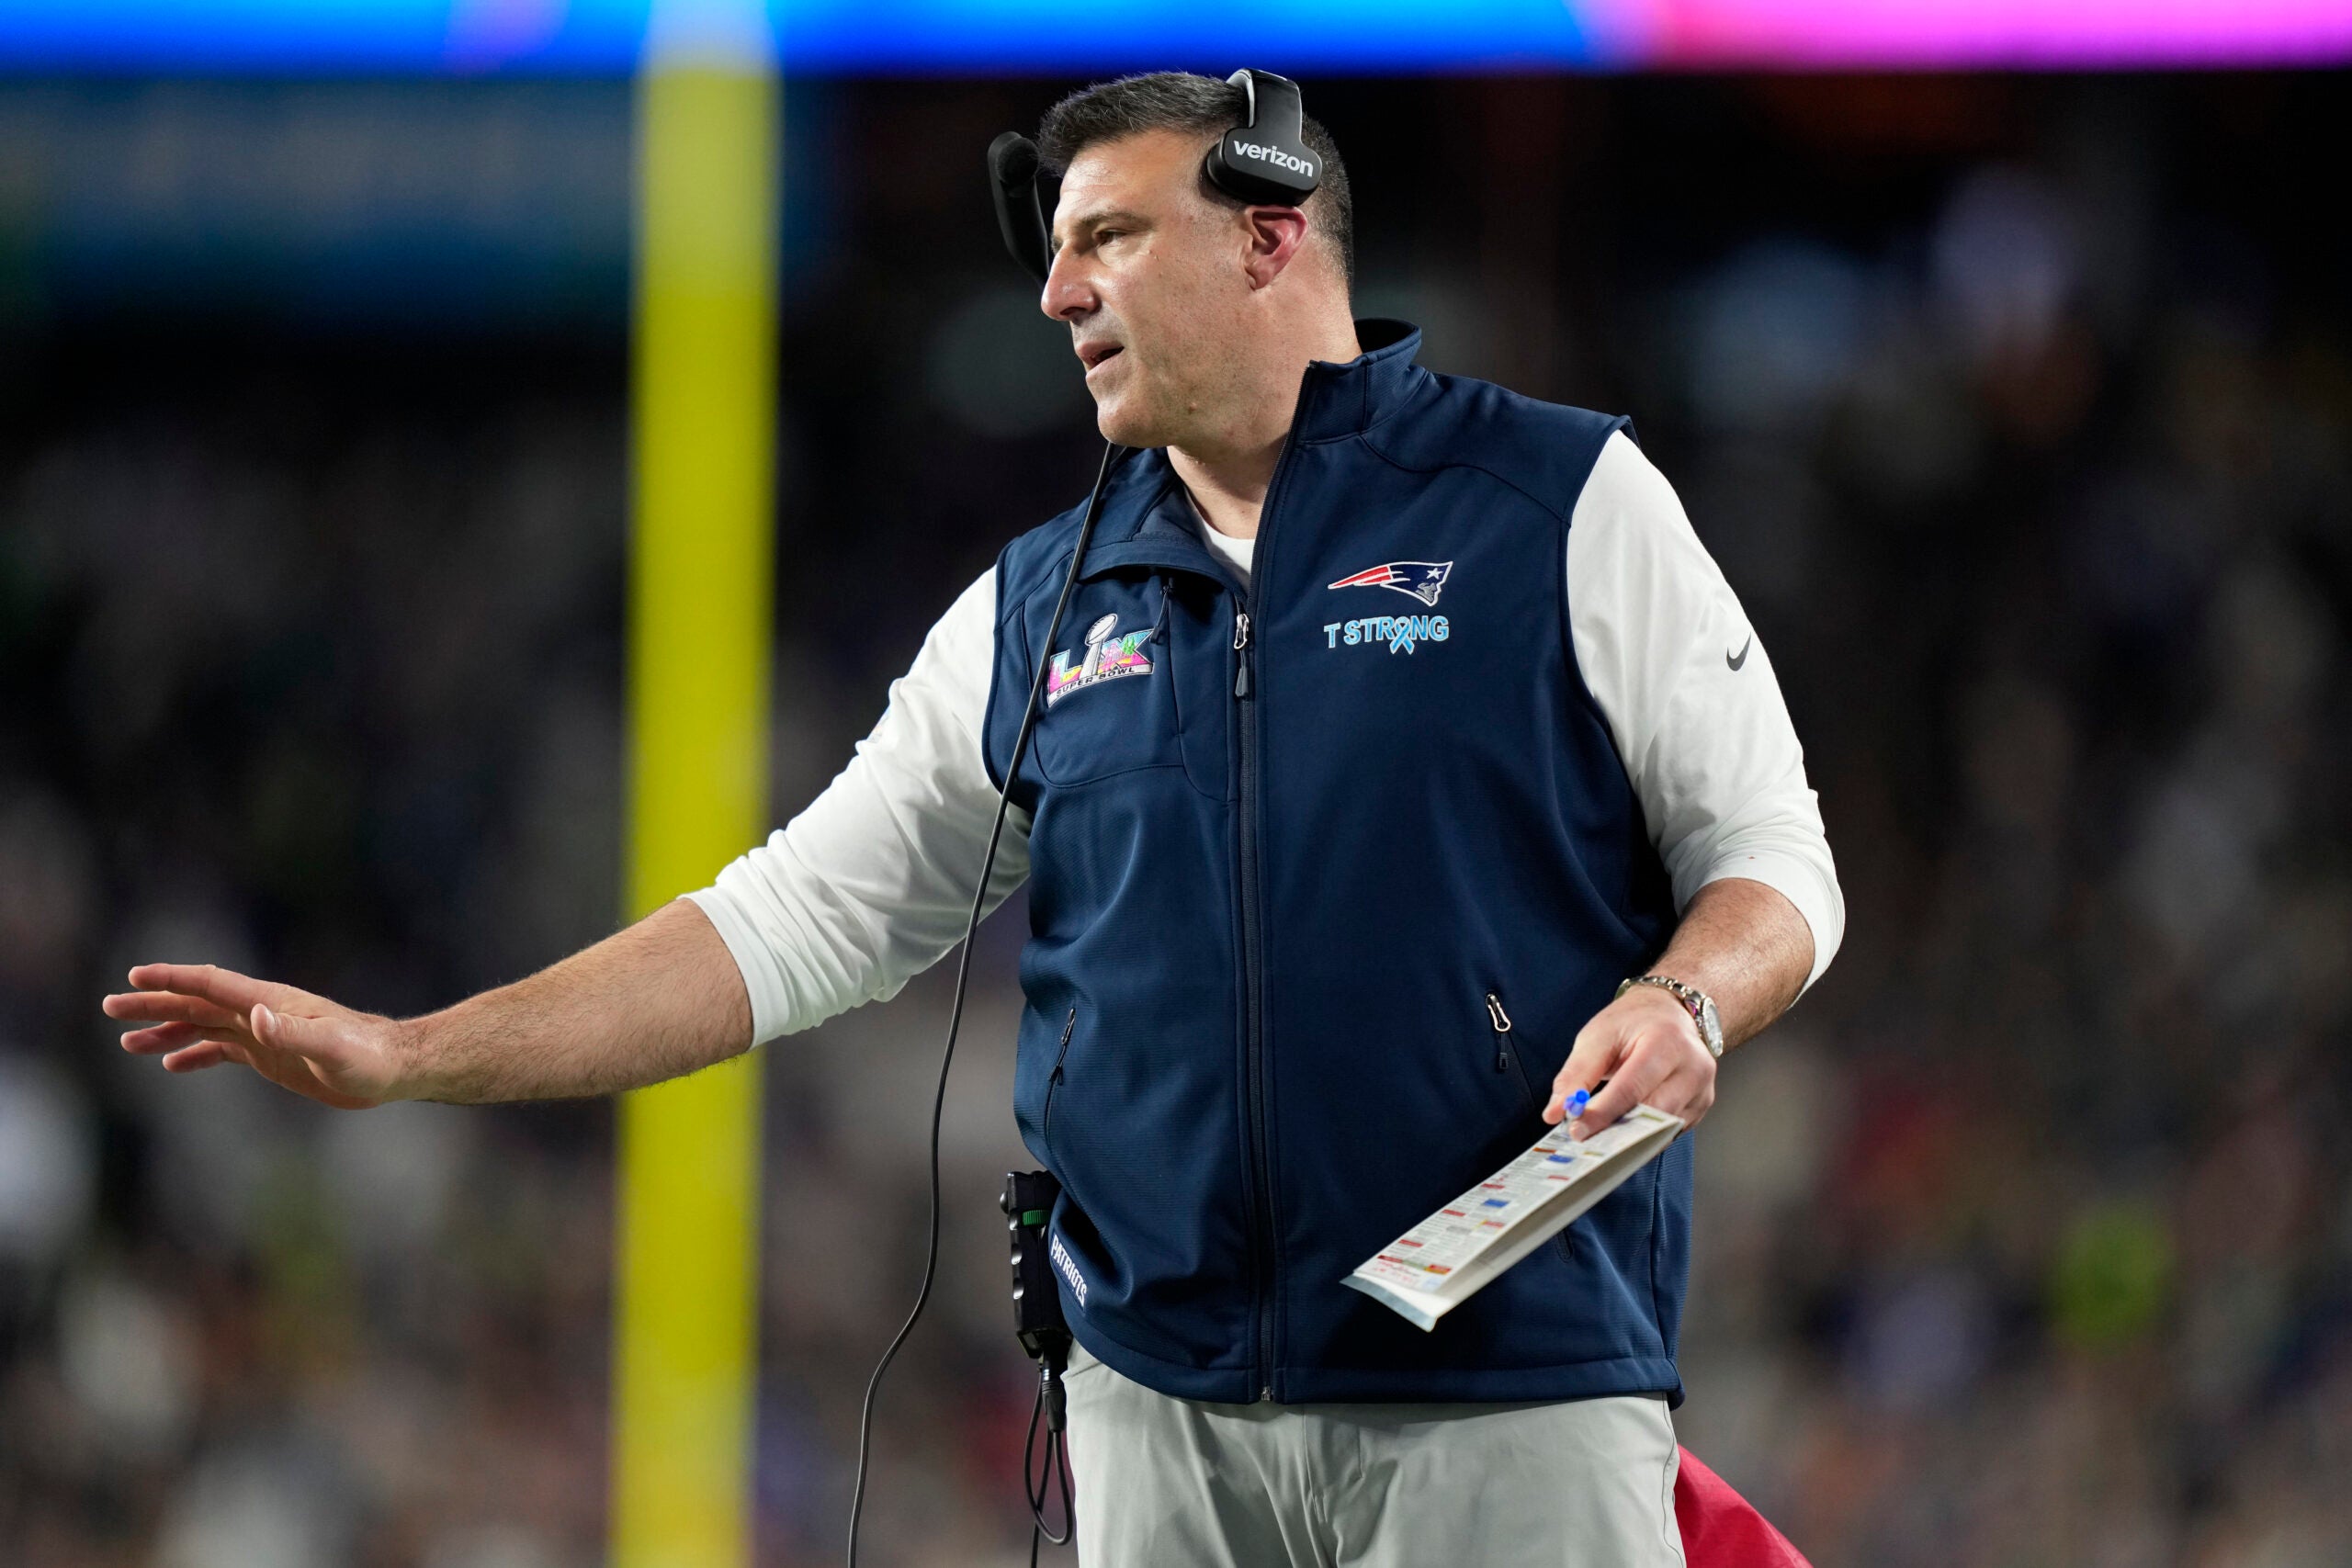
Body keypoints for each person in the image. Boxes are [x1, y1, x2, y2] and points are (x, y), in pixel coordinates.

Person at [105, 72, 1842, 1567]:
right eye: (1053, 248)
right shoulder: (1039, 605)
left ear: (1271, 233)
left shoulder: (1556, 500)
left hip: (1510, 1386)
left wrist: (1687, 1003)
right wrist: (417, 1053)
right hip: (1158, 1419)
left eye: (1110, 235)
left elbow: (1775, 860)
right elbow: (793, 923)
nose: (1055, 289)